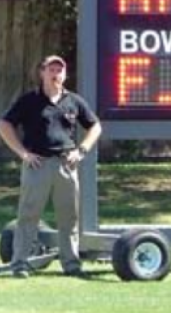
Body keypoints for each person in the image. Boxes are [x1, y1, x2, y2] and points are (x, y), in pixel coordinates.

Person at [0, 55, 102, 278]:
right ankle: (19, 264)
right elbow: (5, 125)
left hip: (66, 163)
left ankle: (71, 264)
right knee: (28, 215)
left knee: (69, 217)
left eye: (60, 70)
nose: (56, 74)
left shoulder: (73, 101)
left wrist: (81, 150)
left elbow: (95, 126)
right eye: (51, 69)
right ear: (42, 72)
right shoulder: (29, 101)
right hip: (38, 164)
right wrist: (22, 153)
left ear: (65, 74)